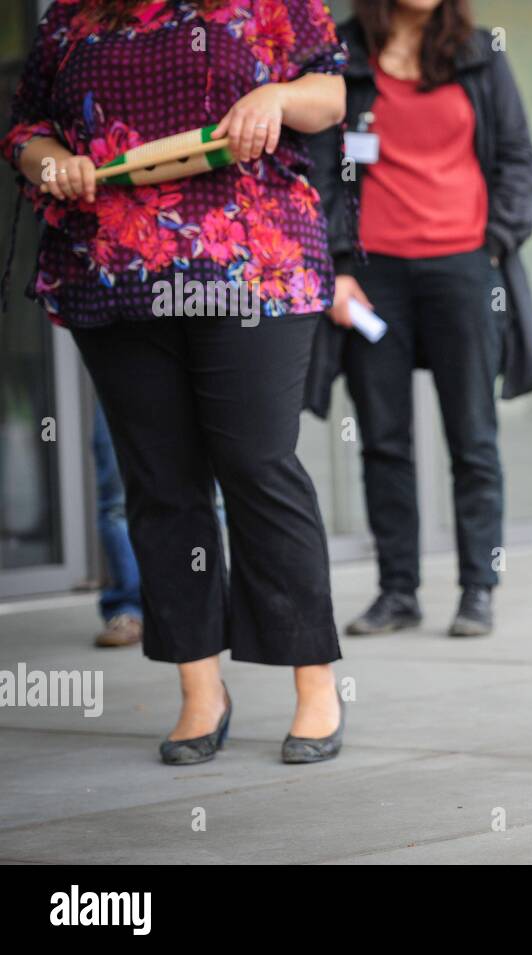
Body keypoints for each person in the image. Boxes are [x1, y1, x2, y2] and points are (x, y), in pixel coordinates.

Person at [3, 0, 349, 765]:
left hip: (249, 263)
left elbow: (329, 91)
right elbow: (26, 125)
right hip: (115, 273)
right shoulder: (71, 15)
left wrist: (278, 97)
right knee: (160, 482)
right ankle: (201, 688)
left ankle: (315, 682)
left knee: (258, 464)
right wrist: (49, 160)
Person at [306, 0, 532, 639]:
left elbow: (519, 161)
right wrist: (336, 263)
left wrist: (492, 245)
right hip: (371, 275)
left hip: (464, 269)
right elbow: (320, 171)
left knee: (473, 436)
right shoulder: (341, 54)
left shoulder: (479, 51)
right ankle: (397, 593)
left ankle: (477, 589)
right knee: (384, 440)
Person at [90, 402, 142, 649]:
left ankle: (199, 612)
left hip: (203, 368)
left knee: (206, 496)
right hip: (123, 367)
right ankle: (128, 609)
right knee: (116, 502)